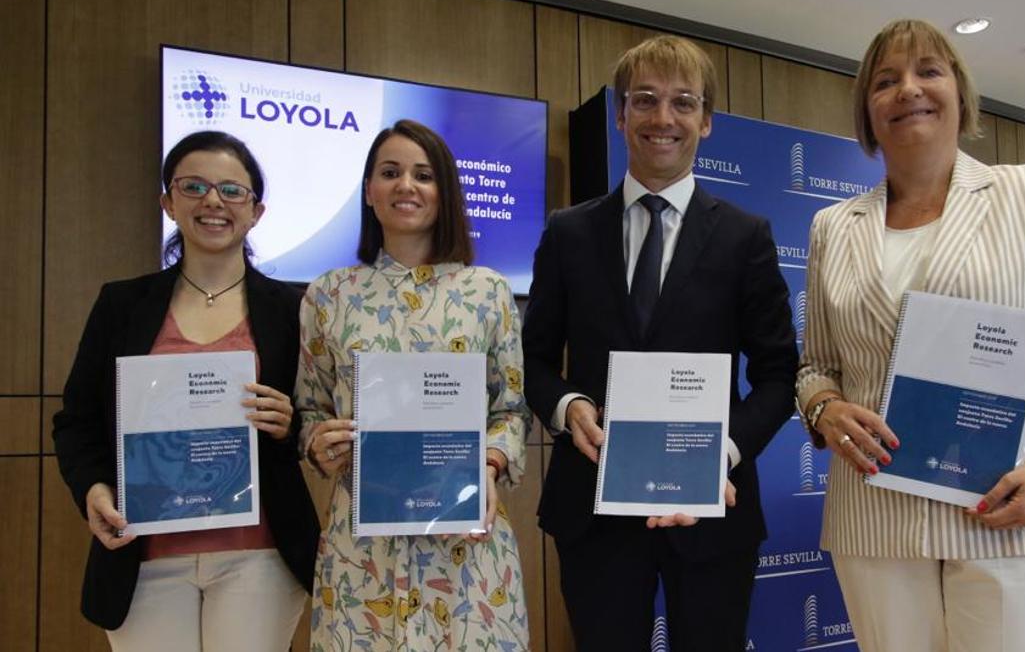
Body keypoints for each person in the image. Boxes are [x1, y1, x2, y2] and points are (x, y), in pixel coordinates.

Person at [796, 18, 1025, 652]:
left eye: (928, 71)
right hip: (875, 517)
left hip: (1009, 509)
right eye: (885, 80)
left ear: (960, 94)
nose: (907, 89)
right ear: (867, 109)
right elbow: (816, 366)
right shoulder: (833, 226)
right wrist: (824, 409)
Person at [523, 35, 798, 651]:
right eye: (644, 100)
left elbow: (780, 374)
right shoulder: (567, 233)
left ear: (706, 120)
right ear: (620, 116)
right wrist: (568, 409)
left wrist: (719, 453)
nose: (662, 118)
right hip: (592, 505)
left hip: (713, 509)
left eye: (682, 102)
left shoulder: (744, 237)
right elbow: (535, 359)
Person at [52, 131, 320, 651]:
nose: (213, 201)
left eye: (231, 190)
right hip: (143, 555)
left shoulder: (294, 310)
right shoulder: (122, 304)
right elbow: (77, 421)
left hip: (260, 555)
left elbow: (315, 420)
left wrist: (292, 424)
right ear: (168, 202)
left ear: (256, 211)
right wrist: (94, 490)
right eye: (193, 186)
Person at [297, 119, 531, 651]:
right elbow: (308, 407)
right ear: (368, 191)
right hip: (362, 552)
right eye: (391, 172)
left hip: (465, 548)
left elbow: (512, 410)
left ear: (444, 192)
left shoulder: (487, 292)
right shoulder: (329, 296)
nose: (407, 185)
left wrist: (492, 462)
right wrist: (317, 444)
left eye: (423, 175)